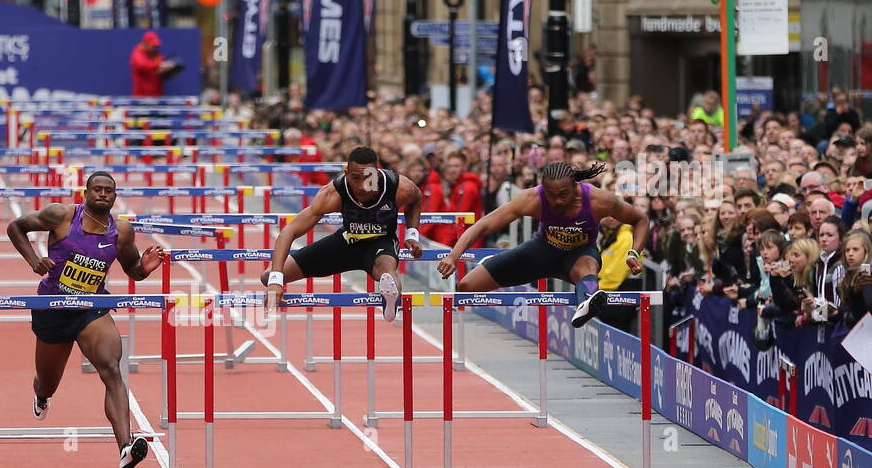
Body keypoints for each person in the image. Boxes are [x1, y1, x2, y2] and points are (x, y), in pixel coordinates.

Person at [5, 171, 166, 468]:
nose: (103, 194)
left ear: (115, 197)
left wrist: (145, 267)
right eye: (97, 189)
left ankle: (125, 447)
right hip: (52, 307)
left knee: (111, 368)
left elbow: (134, 270)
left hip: (91, 309)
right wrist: (33, 260)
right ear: (86, 193)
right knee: (48, 382)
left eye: (108, 191)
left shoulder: (121, 232)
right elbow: (16, 227)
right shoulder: (60, 216)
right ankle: (41, 396)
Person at [438, 160, 649, 329]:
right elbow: (484, 224)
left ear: (575, 186)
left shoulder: (599, 200)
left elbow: (640, 220)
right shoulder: (532, 198)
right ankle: (493, 263)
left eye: (563, 194)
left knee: (587, 265)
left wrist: (633, 253)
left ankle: (588, 299)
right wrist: (453, 255)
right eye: (551, 195)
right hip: (541, 252)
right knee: (466, 288)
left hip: (578, 255)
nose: (557, 201)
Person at [261, 145, 423, 323]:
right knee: (267, 276)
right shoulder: (333, 193)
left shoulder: (399, 187)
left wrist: (412, 233)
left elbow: (416, 200)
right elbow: (289, 231)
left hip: (380, 243)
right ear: (346, 172)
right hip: (346, 242)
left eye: (368, 178)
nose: (362, 186)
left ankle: (393, 302)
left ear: (376, 173)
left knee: (387, 270)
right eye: (355, 178)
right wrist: (276, 281)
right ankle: (274, 278)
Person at [129, 31, 179, 98]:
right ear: (145, 43)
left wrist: (170, 73)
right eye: (153, 45)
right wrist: (161, 65)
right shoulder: (137, 53)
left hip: (157, 98)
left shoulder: (157, 55)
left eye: (156, 46)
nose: (155, 47)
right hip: (141, 99)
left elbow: (159, 74)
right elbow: (141, 65)